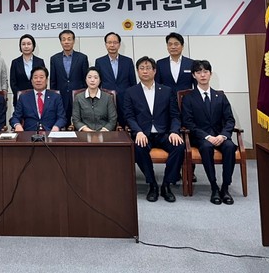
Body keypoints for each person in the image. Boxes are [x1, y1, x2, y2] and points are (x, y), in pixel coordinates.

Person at [122, 56, 185, 203]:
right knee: (138, 147)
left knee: (179, 146)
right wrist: (138, 132)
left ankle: (166, 184)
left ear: (154, 71)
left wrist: (174, 132)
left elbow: (175, 115)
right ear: (137, 71)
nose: (145, 71)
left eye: (148, 68)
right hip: (143, 133)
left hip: (164, 133)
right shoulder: (130, 92)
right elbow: (129, 116)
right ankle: (152, 184)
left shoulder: (167, 91)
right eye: (141, 68)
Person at [181, 59, 237, 205]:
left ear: (210, 74)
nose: (203, 75)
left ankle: (225, 188)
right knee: (206, 147)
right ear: (194, 75)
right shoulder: (188, 98)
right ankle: (214, 187)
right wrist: (207, 136)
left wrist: (223, 135)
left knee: (230, 147)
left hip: (220, 135)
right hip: (201, 137)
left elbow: (230, 120)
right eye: (199, 72)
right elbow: (188, 123)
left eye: (205, 72)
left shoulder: (220, 96)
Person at [94, 32, 136, 126]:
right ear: (105, 44)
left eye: (115, 42)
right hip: (106, 100)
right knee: (108, 126)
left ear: (119, 44)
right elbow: (98, 83)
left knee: (125, 125)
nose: (112, 45)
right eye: (109, 42)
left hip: (125, 100)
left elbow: (132, 83)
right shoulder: (100, 61)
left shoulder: (128, 61)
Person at [49, 29, 89, 124]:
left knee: (80, 124)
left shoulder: (82, 58)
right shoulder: (54, 59)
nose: (66, 42)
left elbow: (86, 80)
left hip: (79, 97)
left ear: (73, 41)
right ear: (61, 42)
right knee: (63, 124)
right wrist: (53, 98)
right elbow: (53, 81)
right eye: (63, 39)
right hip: (61, 98)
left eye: (69, 39)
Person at [10, 66, 67, 132]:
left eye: (41, 77)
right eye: (35, 77)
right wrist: (17, 125)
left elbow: (62, 118)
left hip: (50, 132)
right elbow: (15, 117)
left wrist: (57, 126)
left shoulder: (56, 97)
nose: (38, 80)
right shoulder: (23, 97)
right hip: (29, 133)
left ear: (46, 80)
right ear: (31, 81)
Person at [71, 67, 117, 132]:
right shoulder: (78, 97)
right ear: (85, 79)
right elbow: (76, 119)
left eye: (96, 77)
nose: (92, 80)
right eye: (89, 77)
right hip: (84, 133)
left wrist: (103, 131)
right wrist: (88, 131)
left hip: (105, 133)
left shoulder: (108, 97)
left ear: (100, 80)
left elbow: (113, 119)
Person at [9, 33, 44, 106]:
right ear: (20, 46)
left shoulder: (40, 62)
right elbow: (13, 82)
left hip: (36, 98)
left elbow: (43, 80)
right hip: (20, 99)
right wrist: (20, 95)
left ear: (33, 46)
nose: (26, 46)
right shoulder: (15, 62)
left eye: (29, 44)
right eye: (23, 44)